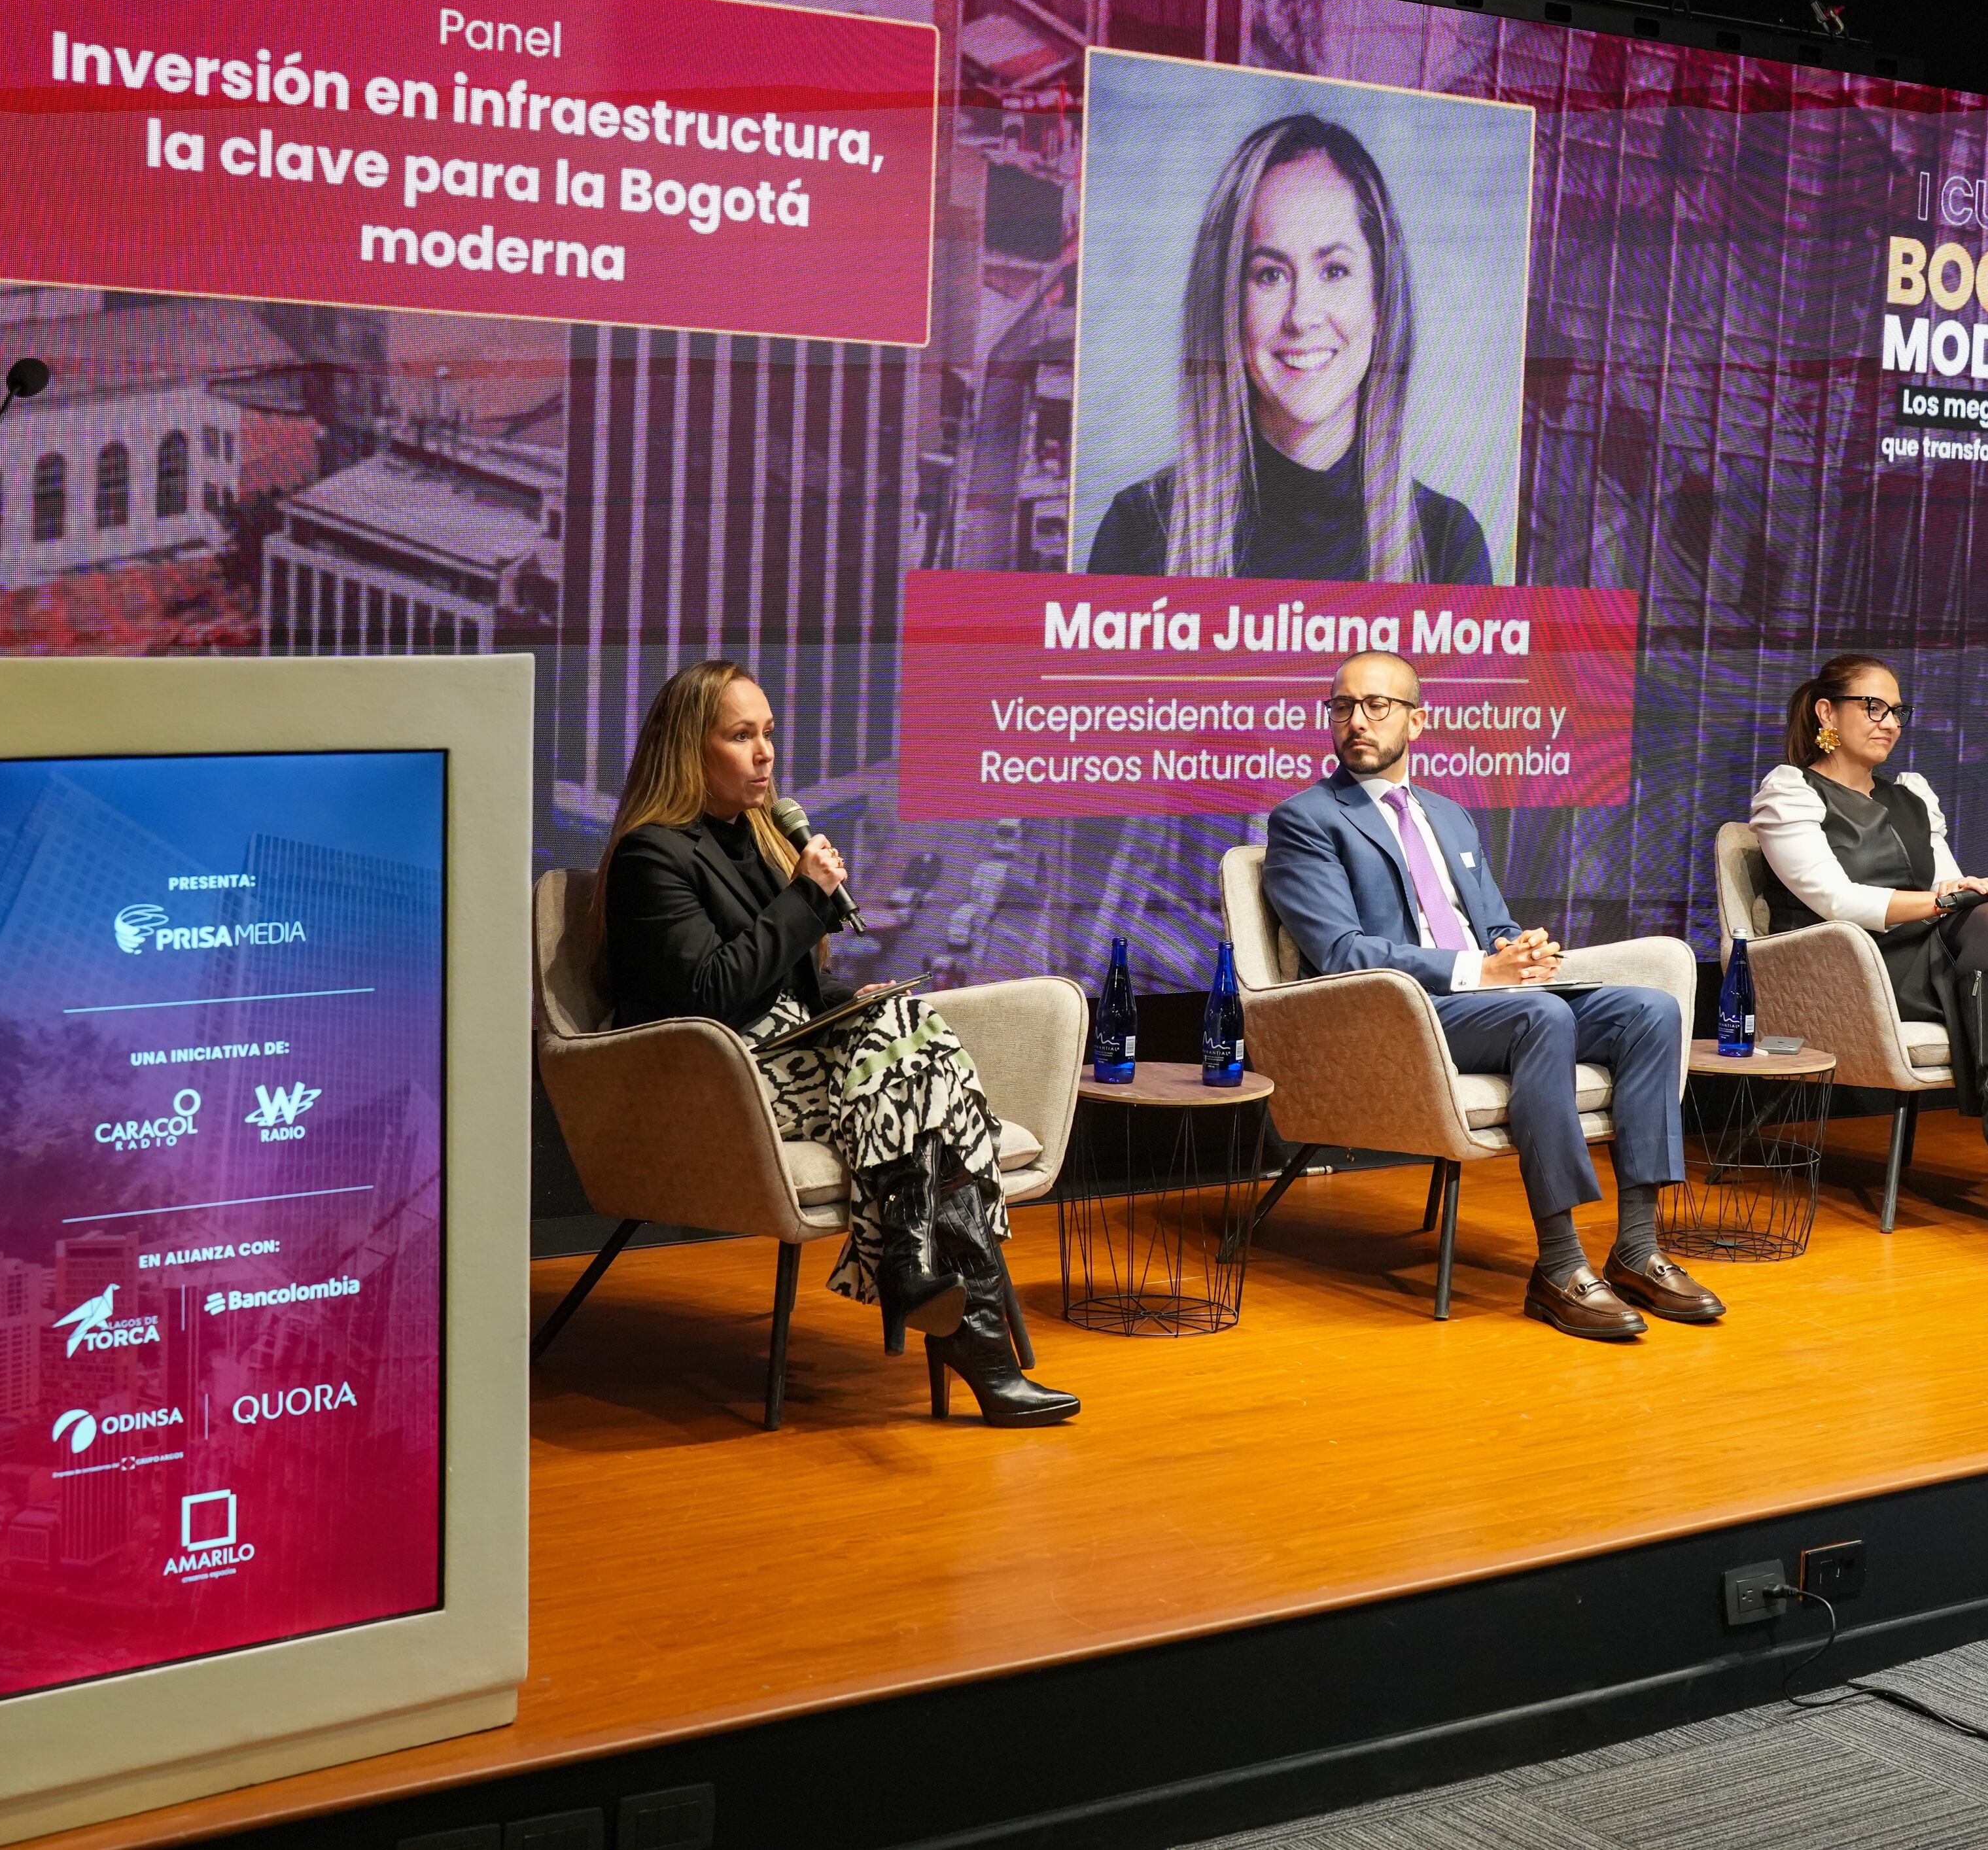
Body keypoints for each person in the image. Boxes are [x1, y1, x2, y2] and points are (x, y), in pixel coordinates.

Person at [594, 659, 1083, 1423]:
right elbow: (713, 993)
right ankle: (964, 1333)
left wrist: (841, 998)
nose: (764, 754)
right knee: (932, 1079)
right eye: (740, 736)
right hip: (722, 1077)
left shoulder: (751, 842)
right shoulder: (651, 856)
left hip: (797, 1061)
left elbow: (783, 980)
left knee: (908, 1041)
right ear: (691, 749)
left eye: (768, 735)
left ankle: (916, 1272)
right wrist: (804, 897)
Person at [1261, 650, 1713, 1340]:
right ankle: (1559, 1266)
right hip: (1398, 1015)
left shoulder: (1449, 817)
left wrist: (1517, 951)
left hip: (1486, 1000)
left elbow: (1488, 924)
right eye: (1342, 707)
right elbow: (1342, 952)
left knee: (1648, 1010)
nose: (1357, 722)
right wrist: (1479, 972)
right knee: (1538, 1016)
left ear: (1417, 719)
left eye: (1376, 706)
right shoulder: (1305, 819)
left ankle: (1636, 1247)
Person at [1749, 654, 1988, 1248]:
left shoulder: (1913, 793)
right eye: (1873, 706)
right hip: (1857, 970)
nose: (1889, 721)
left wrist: (1968, 893)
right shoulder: (1790, 792)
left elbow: (1947, 886)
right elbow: (1837, 900)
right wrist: (1946, 902)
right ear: (1826, 712)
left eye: (1897, 710)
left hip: (1935, 960)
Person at [1085, 113, 1494, 584]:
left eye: (1335, 271)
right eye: (1270, 274)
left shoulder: (1448, 548)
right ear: (1227, 302)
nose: (1302, 315)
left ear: (1380, 301)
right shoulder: (1138, 534)